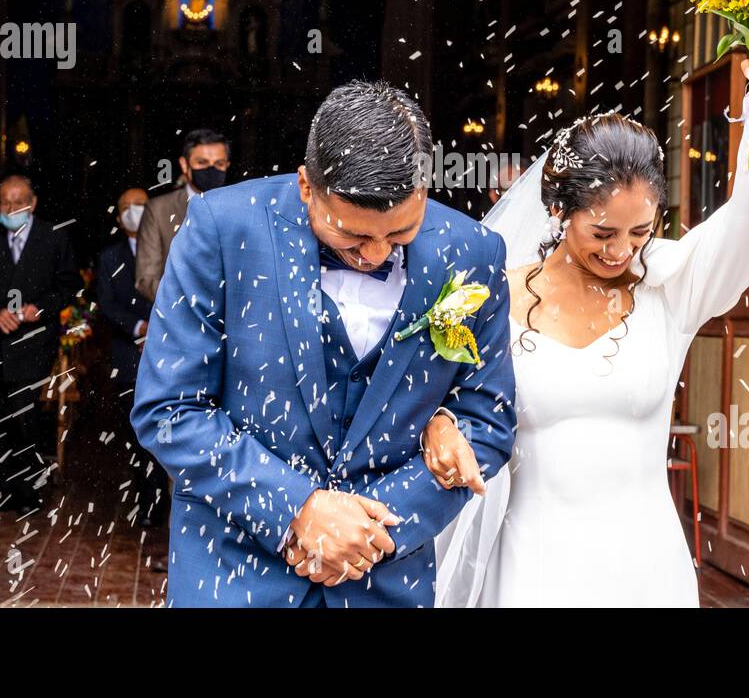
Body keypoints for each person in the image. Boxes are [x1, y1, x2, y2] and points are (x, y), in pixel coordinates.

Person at [425, 46, 749, 607]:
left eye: (640, 232)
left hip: (645, 568)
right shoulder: (490, 297)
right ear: (558, 209)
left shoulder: (668, 289)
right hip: (533, 567)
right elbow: (430, 400)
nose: (621, 251)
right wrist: (439, 424)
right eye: (603, 233)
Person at [130, 81, 517, 607]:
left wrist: (365, 533)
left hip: (386, 583)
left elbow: (487, 420)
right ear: (307, 186)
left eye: (399, 233)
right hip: (235, 575)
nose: (377, 254)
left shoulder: (472, 251)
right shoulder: (223, 228)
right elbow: (170, 410)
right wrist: (297, 509)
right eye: (353, 237)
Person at [0, 174, 81, 513]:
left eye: (19, 201)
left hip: (34, 344)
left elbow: (70, 286)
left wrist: (40, 309)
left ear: (33, 202)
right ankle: (3, 489)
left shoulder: (53, 238)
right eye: (5, 201)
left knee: (23, 415)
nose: (11, 207)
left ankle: (27, 489)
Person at [96, 187, 165, 527]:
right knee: (137, 435)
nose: (133, 212)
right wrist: (139, 327)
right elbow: (105, 304)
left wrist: (159, 331)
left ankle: (163, 502)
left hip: (168, 357)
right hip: (128, 357)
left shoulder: (170, 248)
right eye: (126, 207)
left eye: (140, 206)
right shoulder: (109, 257)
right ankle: (145, 501)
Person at [134, 129, 229, 301]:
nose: (211, 169)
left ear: (227, 165)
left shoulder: (239, 206)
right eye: (202, 162)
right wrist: (193, 305)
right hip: (177, 318)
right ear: (185, 165)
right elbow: (146, 279)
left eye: (219, 164)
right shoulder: (158, 209)